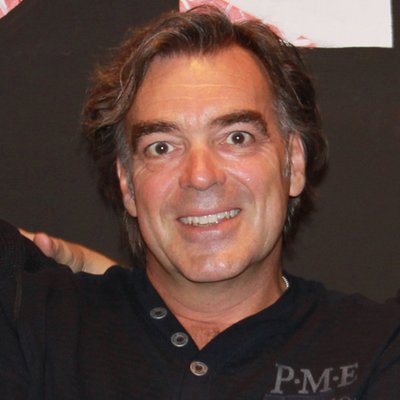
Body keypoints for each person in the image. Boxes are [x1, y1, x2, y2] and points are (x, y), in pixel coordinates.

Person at [0, 6, 399, 399]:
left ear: (293, 164)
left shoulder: (376, 348)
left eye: (237, 138)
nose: (200, 175)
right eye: (162, 147)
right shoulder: (36, 321)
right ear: (128, 184)